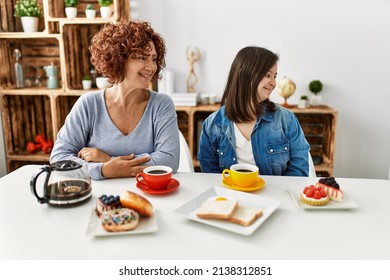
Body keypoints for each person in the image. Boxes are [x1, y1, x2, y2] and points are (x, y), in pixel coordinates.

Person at [50, 21, 179, 180]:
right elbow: (59, 157)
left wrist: (109, 160)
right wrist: (103, 170)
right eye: (141, 57)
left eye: (153, 59)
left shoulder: (161, 104)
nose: (151, 67)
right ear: (119, 59)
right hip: (98, 198)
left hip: (147, 195)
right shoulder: (89, 104)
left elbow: (169, 160)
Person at [198, 46, 310, 176]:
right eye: (268, 75)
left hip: (274, 195)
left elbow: (299, 170)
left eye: (275, 76)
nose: (273, 83)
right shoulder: (211, 126)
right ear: (247, 75)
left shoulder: (286, 120)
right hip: (230, 196)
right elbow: (210, 176)